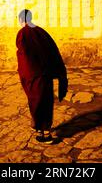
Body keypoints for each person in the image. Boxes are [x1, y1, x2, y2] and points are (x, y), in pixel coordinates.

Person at [16, 9, 68, 144]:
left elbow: (23, 55)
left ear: (21, 20)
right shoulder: (42, 32)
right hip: (45, 75)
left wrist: (23, 73)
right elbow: (53, 51)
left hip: (32, 75)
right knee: (46, 101)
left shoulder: (22, 33)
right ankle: (45, 131)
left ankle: (41, 132)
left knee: (35, 102)